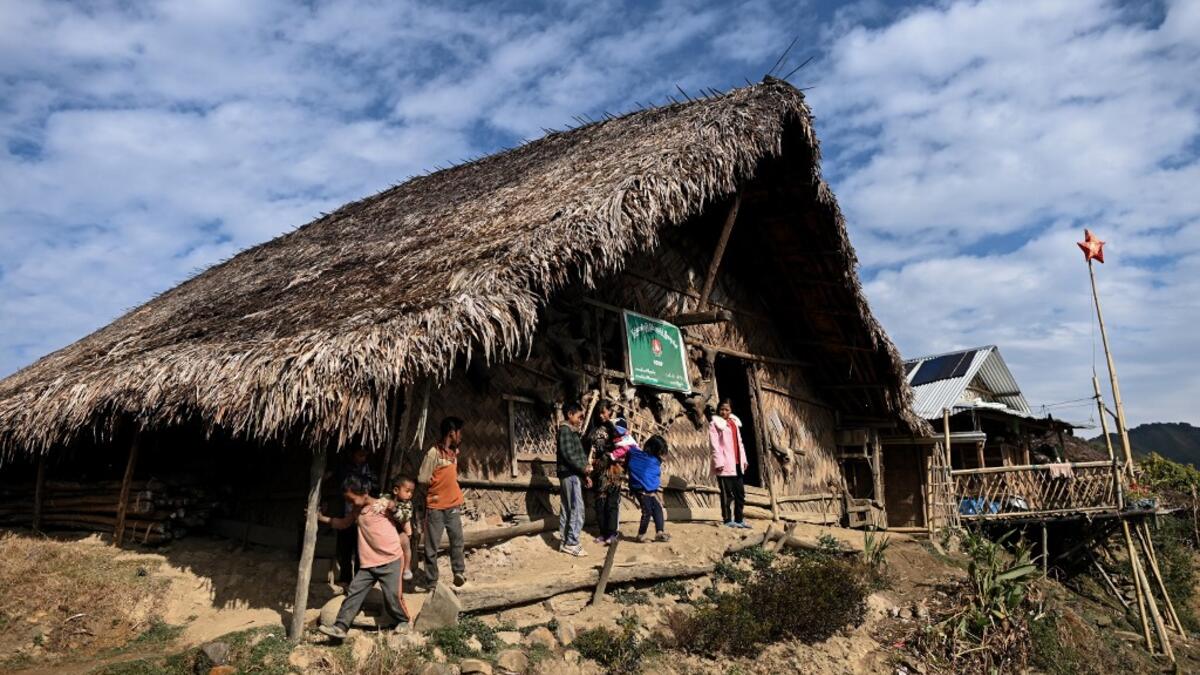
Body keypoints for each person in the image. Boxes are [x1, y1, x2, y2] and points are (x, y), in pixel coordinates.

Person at [316, 475, 410, 639]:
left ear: (364, 492)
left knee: (392, 595)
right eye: (348, 500)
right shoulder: (356, 511)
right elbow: (343, 524)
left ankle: (404, 620)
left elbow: (404, 515)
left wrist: (393, 507)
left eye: (352, 499)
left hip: (391, 559)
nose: (350, 503)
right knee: (354, 592)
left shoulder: (382, 505)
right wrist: (322, 518)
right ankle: (340, 626)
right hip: (368, 563)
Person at [418, 416, 467, 587]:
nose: (461, 436)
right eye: (459, 433)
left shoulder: (455, 453)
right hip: (436, 506)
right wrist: (437, 489)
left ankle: (459, 572)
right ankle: (432, 582)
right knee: (432, 545)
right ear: (452, 433)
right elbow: (423, 478)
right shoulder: (433, 453)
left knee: (457, 539)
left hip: (453, 504)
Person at [333, 447, 377, 585]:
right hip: (347, 512)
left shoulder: (370, 472)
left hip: (363, 517)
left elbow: (375, 489)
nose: (363, 457)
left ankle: (359, 582)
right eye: (360, 454)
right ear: (352, 454)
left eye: (365, 455)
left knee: (361, 552)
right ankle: (345, 579)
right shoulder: (344, 470)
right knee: (345, 549)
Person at [710, 399, 750, 529]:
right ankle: (727, 519)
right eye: (722, 409)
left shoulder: (734, 423)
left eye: (727, 409)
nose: (724, 412)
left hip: (737, 464)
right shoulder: (715, 424)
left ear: (731, 411)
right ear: (718, 410)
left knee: (740, 493)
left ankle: (739, 519)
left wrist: (744, 460)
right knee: (727, 494)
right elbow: (714, 445)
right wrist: (718, 462)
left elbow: (740, 443)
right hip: (725, 464)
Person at [556, 402, 589, 557]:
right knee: (577, 509)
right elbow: (569, 455)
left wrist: (584, 475)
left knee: (568, 509)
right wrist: (584, 469)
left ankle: (564, 541)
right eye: (579, 416)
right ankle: (572, 542)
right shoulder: (565, 431)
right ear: (570, 414)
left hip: (571, 474)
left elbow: (574, 456)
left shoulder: (570, 431)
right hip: (570, 474)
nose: (581, 419)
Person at [628, 434, 670, 542]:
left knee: (658, 509)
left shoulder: (653, 460)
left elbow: (653, 472)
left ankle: (659, 532)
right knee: (647, 512)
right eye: (661, 451)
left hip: (650, 491)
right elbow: (635, 467)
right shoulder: (639, 457)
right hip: (641, 490)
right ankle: (641, 535)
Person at [386, 476, 417, 581]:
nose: (410, 495)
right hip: (386, 530)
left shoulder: (407, 505)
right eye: (407, 491)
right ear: (395, 490)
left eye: (411, 492)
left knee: (405, 542)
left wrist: (394, 510)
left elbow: (404, 517)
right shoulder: (386, 498)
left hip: (399, 531)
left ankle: (407, 568)